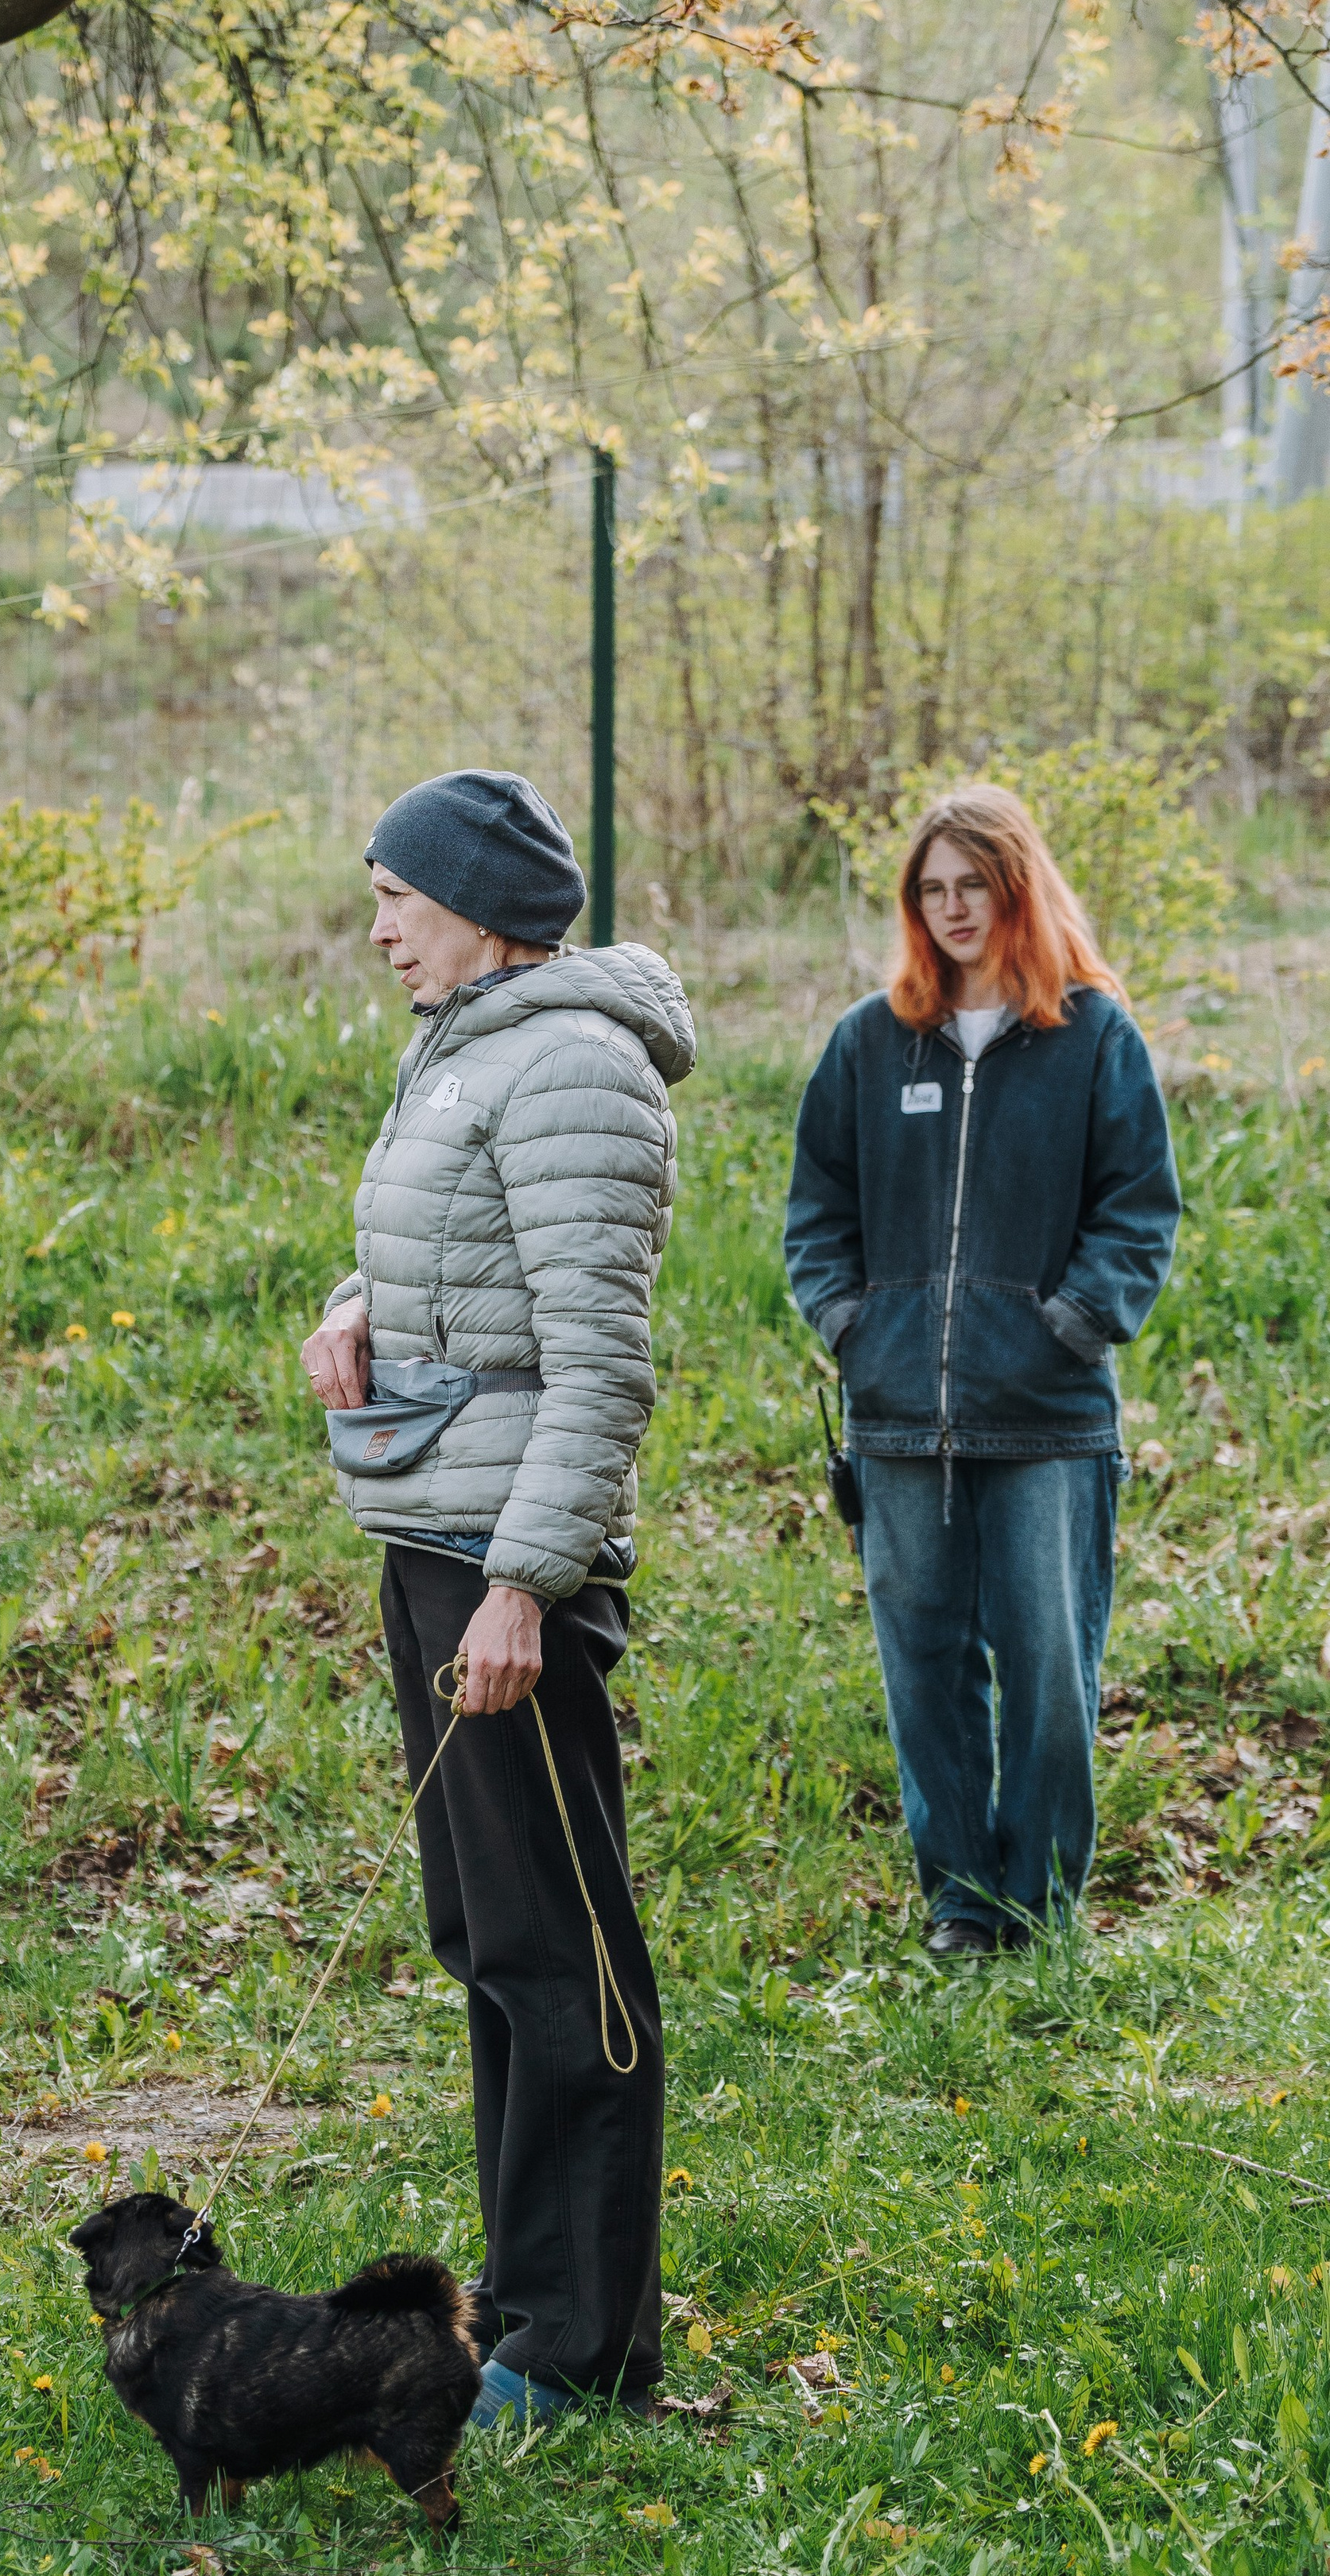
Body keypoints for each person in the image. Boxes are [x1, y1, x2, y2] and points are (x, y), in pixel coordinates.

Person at [298, 767, 695, 2430]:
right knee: (487, 1934)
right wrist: (356, 1304)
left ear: (478, 905)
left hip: (502, 1559)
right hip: (435, 1536)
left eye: (398, 897)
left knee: (561, 1947)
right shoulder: (466, 1045)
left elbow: (600, 1362)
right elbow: (469, 1261)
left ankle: (584, 2345)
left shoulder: (575, 1065)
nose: (379, 928)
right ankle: (527, 2298)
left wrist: (524, 1584)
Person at [784, 782, 1181, 1957]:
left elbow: (1139, 1209)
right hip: (898, 1415)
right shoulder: (871, 1041)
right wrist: (852, 1324)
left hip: (1049, 1414)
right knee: (924, 1667)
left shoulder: (1093, 1037)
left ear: (1019, 890)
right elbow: (818, 1209)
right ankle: (962, 1901)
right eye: (932, 890)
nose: (953, 908)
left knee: (1051, 1671)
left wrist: (1072, 1324)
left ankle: (1040, 1907)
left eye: (975, 885)